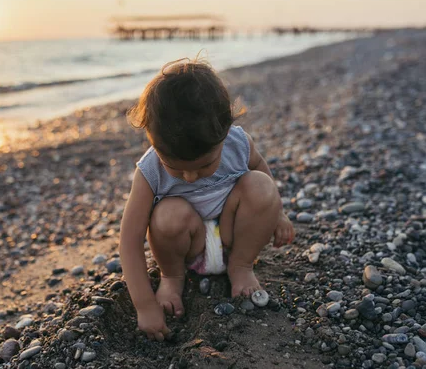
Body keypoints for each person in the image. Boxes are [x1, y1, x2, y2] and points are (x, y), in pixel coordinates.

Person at [119, 58, 295, 342]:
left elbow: (262, 169)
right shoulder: (150, 169)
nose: (189, 177)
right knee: (167, 214)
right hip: (188, 248)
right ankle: (172, 279)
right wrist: (145, 305)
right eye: (175, 167)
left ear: (224, 137)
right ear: (153, 143)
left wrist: (280, 214)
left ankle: (241, 268)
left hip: (235, 238)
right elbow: (129, 241)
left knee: (261, 185)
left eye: (203, 166)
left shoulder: (238, 144)